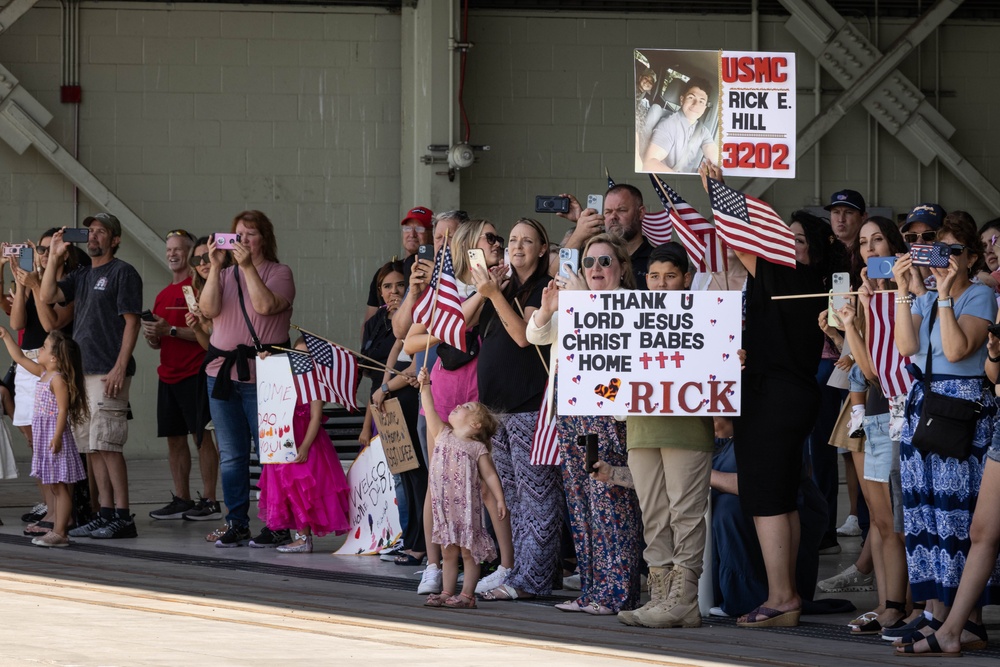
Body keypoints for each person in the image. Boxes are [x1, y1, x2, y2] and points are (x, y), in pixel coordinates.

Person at [891, 211, 998, 648]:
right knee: (926, 515)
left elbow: (955, 350)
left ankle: (964, 617)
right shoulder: (928, 296)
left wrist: (948, 294)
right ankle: (938, 612)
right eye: (940, 250)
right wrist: (903, 291)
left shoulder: (977, 297)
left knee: (959, 515)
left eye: (955, 251)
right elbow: (907, 347)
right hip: (926, 406)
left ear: (972, 257)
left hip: (963, 412)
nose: (945, 259)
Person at [528, 233, 642, 616]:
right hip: (569, 411)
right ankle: (593, 589)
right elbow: (535, 335)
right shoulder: (572, 303)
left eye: (605, 262)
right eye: (589, 263)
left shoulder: (630, 306)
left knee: (610, 500)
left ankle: (617, 593)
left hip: (607, 412)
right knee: (579, 504)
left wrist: (581, 301)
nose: (595, 269)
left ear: (622, 269)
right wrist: (547, 310)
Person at [466, 218, 562, 602]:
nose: (518, 246)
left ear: (543, 249)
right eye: (513, 240)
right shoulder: (503, 285)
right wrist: (489, 289)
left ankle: (534, 580)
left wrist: (495, 295)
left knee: (537, 497)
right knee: (511, 497)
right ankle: (520, 569)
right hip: (497, 411)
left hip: (530, 407)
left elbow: (523, 337)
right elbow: (463, 322)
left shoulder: (543, 288)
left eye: (528, 241)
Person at [39, 214, 143, 540]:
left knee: (109, 443)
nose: (94, 236)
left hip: (108, 371)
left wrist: (120, 365)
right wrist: (55, 256)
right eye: (91, 231)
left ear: (115, 240)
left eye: (101, 232)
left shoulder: (122, 272)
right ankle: (105, 511)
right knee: (93, 447)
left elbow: (132, 322)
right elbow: (46, 296)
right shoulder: (83, 274)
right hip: (83, 373)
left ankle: (123, 515)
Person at [199, 210, 295, 548]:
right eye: (237, 234)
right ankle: (236, 521)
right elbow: (208, 309)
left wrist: (247, 267)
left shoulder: (279, 272)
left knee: (271, 452)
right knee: (232, 454)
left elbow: (266, 306)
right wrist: (214, 267)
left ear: (264, 239)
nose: (243, 241)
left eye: (250, 234)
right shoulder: (223, 274)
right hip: (222, 374)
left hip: (265, 376)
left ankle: (278, 523)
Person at [835, 217, 911, 636]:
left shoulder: (910, 293)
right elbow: (863, 371)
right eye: (863, 243)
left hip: (902, 413)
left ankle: (905, 607)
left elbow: (888, 366)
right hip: (872, 414)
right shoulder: (868, 297)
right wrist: (849, 322)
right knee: (881, 523)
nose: (870, 248)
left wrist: (861, 318)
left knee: (897, 522)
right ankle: (887, 605)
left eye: (878, 239)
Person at [3, 230, 80, 529]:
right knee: (34, 443)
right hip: (27, 361)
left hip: (51, 363)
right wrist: (23, 286)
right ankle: (49, 508)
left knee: (52, 444)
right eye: (42, 249)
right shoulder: (32, 280)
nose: (45, 254)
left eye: (50, 249)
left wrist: (36, 286)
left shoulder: (67, 286)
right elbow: (17, 322)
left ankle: (61, 515)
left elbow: (52, 324)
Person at [142, 230, 220, 522]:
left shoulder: (197, 289)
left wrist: (171, 330)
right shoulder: (162, 294)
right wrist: (152, 335)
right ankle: (182, 498)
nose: (172, 254)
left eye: (179, 249)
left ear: (192, 254)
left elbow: (207, 333)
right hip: (168, 374)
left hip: (195, 372)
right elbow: (159, 339)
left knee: (202, 437)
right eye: (169, 249)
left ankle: (211, 500)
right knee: (174, 439)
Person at [418, 367, 506, 609]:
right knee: (447, 552)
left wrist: (499, 500)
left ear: (476, 424)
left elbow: (490, 475)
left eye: (466, 407)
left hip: (466, 511)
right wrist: (425, 385)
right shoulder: (442, 434)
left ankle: (467, 595)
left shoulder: (477, 449)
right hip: (445, 510)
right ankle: (447, 592)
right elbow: (431, 409)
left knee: (468, 552)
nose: (459, 406)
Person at [254, 337, 350, 554]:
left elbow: (316, 417)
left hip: (306, 441)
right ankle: (301, 535)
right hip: (282, 440)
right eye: (296, 355)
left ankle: (304, 537)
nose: (301, 360)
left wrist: (305, 446)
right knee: (286, 488)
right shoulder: (283, 377)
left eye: (307, 356)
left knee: (302, 490)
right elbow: (269, 379)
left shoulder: (315, 382)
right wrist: (266, 360)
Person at [0, 327, 87, 547]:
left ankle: (60, 532)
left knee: (60, 486)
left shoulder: (57, 379)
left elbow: (62, 411)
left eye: (44, 346)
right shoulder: (43, 373)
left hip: (53, 438)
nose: (40, 348)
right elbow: (19, 357)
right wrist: (5, 336)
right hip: (44, 437)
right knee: (55, 487)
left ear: (55, 358)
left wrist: (57, 437)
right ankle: (57, 529)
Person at [363, 260, 426, 565]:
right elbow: (395, 349)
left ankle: (420, 545)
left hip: (412, 398)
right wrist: (385, 384)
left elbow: (416, 365)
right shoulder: (388, 322)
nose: (395, 291)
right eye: (387, 286)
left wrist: (387, 388)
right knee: (404, 473)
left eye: (401, 285)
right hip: (391, 401)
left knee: (417, 476)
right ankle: (409, 538)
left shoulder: (423, 311)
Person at [557, 184, 654, 289]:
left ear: (640, 213)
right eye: (608, 212)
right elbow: (554, 277)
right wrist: (579, 233)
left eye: (621, 210)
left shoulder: (656, 258)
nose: (613, 216)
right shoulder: (588, 258)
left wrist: (584, 297)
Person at [361, 206, 433, 333]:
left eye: (419, 228)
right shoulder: (386, 272)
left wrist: (404, 309)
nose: (412, 234)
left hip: (415, 342)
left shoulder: (437, 271)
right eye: (407, 228)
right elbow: (368, 323)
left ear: (432, 233)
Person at [642, 77, 719, 174]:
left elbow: (713, 154)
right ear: (682, 100)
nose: (696, 105)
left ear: (704, 108)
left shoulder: (703, 131)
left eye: (701, 101)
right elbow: (649, 163)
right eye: (691, 97)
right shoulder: (668, 125)